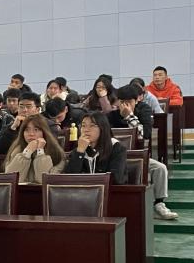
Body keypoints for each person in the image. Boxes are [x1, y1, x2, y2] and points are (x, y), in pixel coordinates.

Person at [109, 86, 179, 220]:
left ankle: (159, 204)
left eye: (129, 102)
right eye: (122, 102)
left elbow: (145, 134)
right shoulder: (111, 115)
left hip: (137, 157)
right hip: (115, 158)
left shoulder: (144, 110)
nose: (125, 105)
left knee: (160, 168)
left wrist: (129, 116)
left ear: (137, 100)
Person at [65, 111, 127, 184]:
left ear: (102, 128)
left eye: (92, 126)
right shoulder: (80, 147)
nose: (86, 130)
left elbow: (116, 179)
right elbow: (69, 179)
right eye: (83, 126)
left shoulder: (116, 148)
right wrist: (80, 152)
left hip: (110, 190)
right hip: (82, 190)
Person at [4, 114, 66, 183]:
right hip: (20, 189)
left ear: (44, 132)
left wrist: (40, 152)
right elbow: (10, 179)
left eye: (36, 130)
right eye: (27, 130)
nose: (31, 134)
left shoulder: (55, 153)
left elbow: (44, 181)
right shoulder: (16, 151)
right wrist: (26, 153)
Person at [0, 91, 43, 155]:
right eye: (21, 107)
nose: (24, 110)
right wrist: (13, 128)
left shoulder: (46, 125)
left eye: (28, 107)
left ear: (37, 110)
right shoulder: (10, 127)